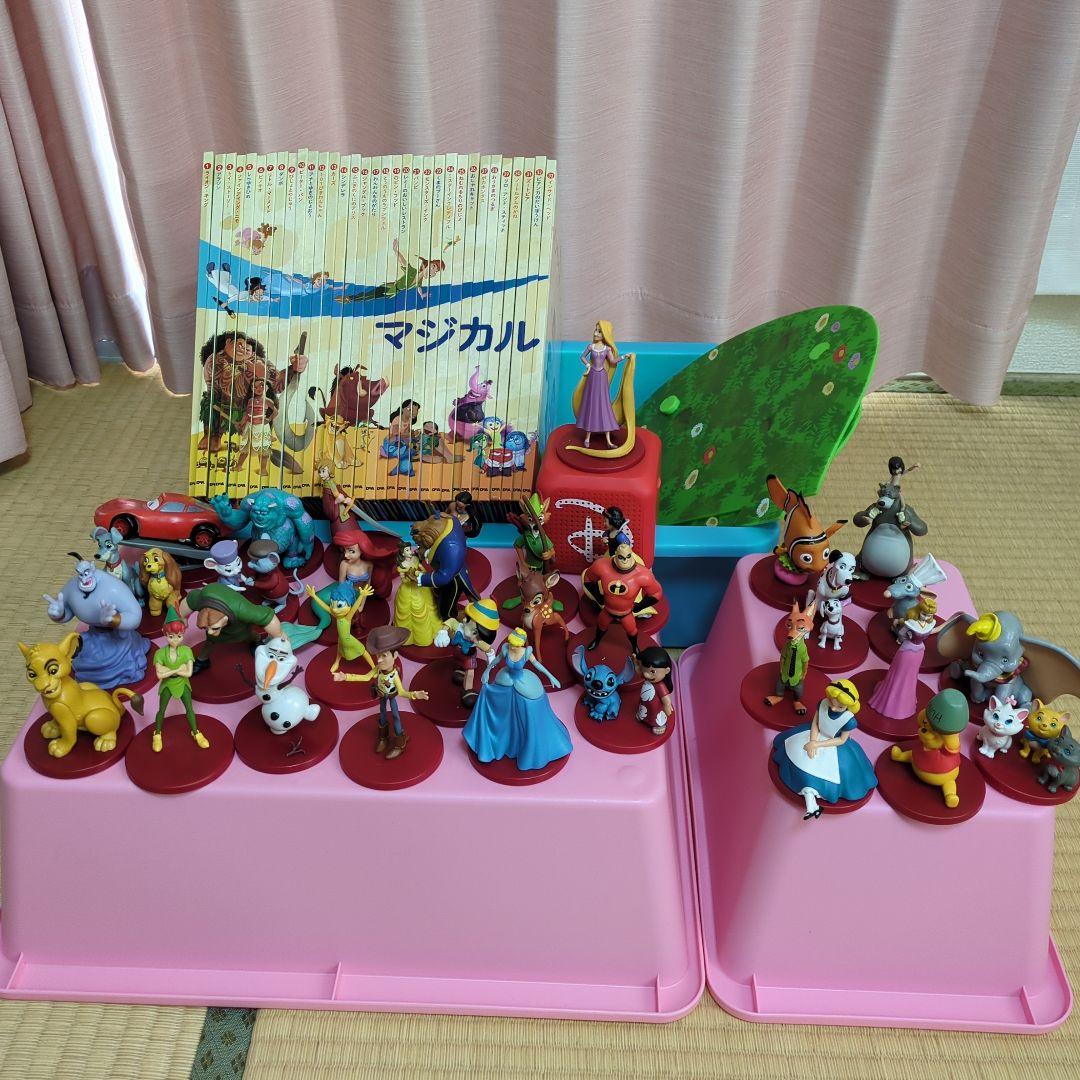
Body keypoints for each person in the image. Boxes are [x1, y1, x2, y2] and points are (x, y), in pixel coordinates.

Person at [463, 627, 571, 772]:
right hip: (506, 680)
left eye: (516, 645)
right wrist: (487, 671)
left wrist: (551, 676)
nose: (513, 647)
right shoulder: (506, 648)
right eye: (511, 643)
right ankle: (495, 741)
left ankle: (528, 745)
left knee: (530, 709)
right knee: (494, 700)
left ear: (521, 644)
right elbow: (496, 660)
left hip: (523, 683)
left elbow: (537, 665)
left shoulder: (526, 652)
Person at [771, 679, 878, 820]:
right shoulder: (823, 703)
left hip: (834, 745)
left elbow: (842, 740)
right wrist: (812, 741)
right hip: (814, 735)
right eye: (832, 702)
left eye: (840, 707)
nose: (833, 708)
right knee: (800, 757)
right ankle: (812, 804)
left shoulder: (849, 720)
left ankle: (812, 802)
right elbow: (815, 723)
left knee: (827, 773)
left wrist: (818, 745)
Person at [333, 625, 429, 759]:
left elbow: (401, 692)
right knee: (382, 714)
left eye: (384, 655)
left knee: (395, 715)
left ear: (395, 655)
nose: (378, 660)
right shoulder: (378, 668)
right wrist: (346, 677)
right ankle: (383, 737)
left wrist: (414, 695)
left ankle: (400, 742)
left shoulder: (394, 675)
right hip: (381, 695)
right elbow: (366, 677)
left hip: (392, 696)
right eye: (378, 655)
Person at [152, 610, 209, 752]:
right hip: (167, 684)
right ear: (164, 634)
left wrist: (168, 671)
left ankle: (196, 732)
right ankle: (157, 734)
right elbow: (159, 675)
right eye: (171, 636)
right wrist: (177, 670)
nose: (175, 640)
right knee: (161, 710)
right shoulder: (159, 653)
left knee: (189, 709)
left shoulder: (186, 651)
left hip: (182, 683)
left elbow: (188, 673)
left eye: (179, 636)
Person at [573, 320, 625, 448]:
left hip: (602, 376)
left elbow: (613, 361)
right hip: (593, 376)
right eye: (596, 330)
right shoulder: (591, 347)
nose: (596, 333)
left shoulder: (607, 349)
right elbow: (582, 357)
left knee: (603, 404)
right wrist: (588, 365)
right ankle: (587, 437)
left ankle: (608, 441)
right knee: (591, 404)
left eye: (600, 331)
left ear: (605, 334)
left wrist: (624, 357)